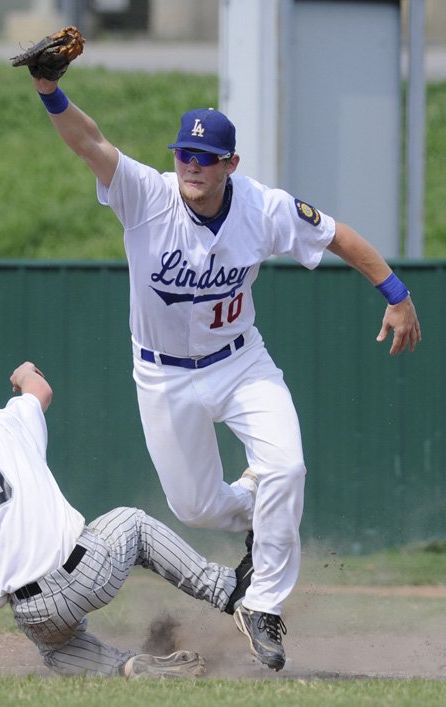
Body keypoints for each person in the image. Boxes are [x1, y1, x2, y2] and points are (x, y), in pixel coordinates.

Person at [21, 54, 422, 673]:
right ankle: (262, 521)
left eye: (207, 158)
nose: (193, 166)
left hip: (240, 363)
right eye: (185, 153)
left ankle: (261, 603)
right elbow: (90, 141)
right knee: (197, 509)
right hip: (162, 375)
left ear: (231, 164)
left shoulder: (262, 208)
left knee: (287, 466)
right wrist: (48, 88)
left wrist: (395, 293)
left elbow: (337, 234)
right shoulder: (146, 195)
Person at [0, 361, 244, 678]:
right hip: (87, 569)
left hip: (36, 610)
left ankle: (124, 667)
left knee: (59, 649)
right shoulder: (5, 426)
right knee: (132, 523)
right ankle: (229, 590)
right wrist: (24, 373)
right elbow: (40, 390)